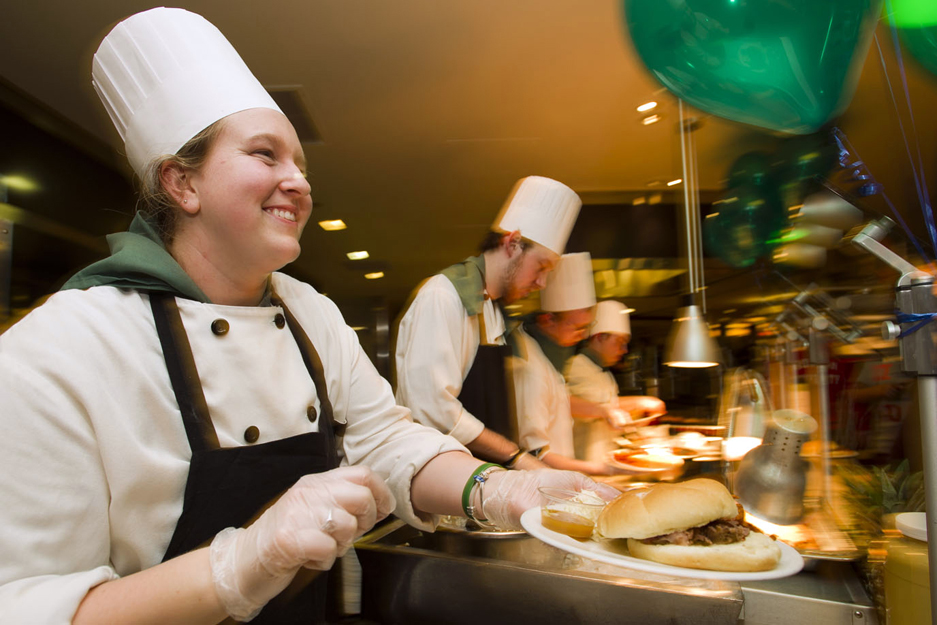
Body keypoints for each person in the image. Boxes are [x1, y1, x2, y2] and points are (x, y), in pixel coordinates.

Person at [0, 9, 617, 624]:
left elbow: (386, 440)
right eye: (265, 155)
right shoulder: (55, 354)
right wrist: (242, 562)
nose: (298, 181)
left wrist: (500, 489)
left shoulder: (310, 312)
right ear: (181, 183)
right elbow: (31, 607)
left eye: (300, 164)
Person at [395, 175, 581, 470]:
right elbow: (432, 410)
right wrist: (514, 457)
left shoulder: (494, 312)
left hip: (483, 479)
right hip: (440, 483)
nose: (543, 282)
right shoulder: (442, 296)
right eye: (541, 266)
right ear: (512, 243)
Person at [511, 252, 614, 475]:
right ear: (547, 320)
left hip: (558, 482)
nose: (585, 335)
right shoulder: (530, 368)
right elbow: (534, 454)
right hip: (540, 486)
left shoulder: (546, 355)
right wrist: (604, 470)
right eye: (577, 327)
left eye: (588, 326)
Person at [565, 300, 666, 462]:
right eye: (619, 342)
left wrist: (633, 419)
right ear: (599, 337)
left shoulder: (605, 373)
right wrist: (641, 402)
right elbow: (574, 405)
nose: (624, 350)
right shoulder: (576, 366)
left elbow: (609, 409)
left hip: (605, 463)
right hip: (582, 465)